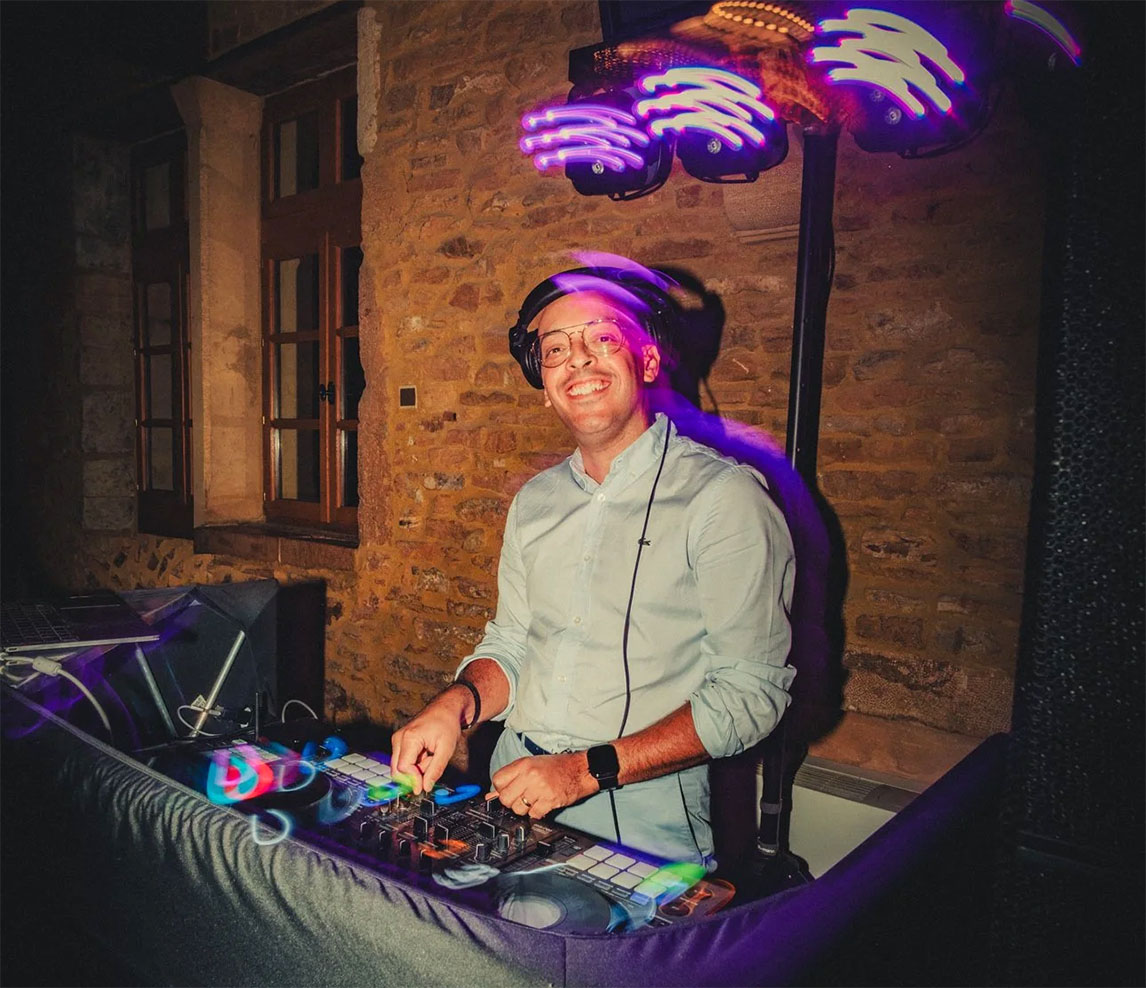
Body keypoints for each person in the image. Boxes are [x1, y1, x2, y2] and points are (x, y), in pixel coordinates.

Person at [391, 257, 796, 867]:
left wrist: (584, 770)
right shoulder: (535, 501)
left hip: (641, 814)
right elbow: (513, 644)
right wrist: (456, 704)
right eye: (555, 349)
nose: (576, 359)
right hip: (513, 789)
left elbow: (750, 693)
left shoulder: (724, 497)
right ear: (544, 382)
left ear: (648, 362)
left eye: (602, 338)